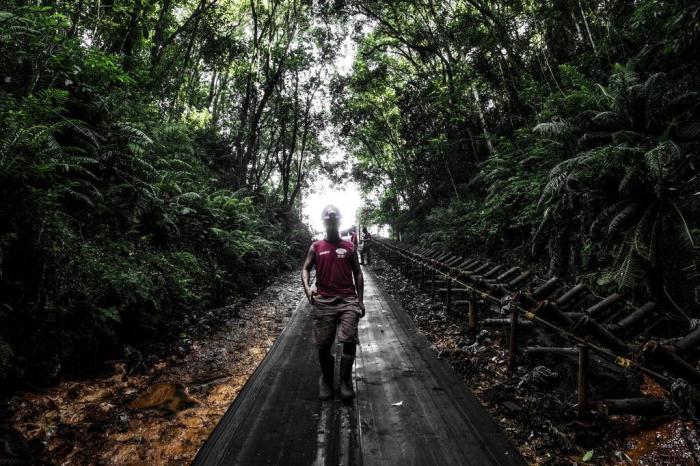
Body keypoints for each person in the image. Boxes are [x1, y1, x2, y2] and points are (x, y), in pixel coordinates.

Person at [302, 205, 365, 401]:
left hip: (347, 300)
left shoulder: (349, 247)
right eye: (328, 221)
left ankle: (345, 381)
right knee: (324, 344)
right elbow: (305, 269)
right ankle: (327, 381)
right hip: (324, 301)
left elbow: (358, 272)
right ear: (324, 222)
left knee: (349, 340)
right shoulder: (316, 247)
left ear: (339, 222)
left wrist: (360, 300)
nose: (331, 223)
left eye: (334, 220)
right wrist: (308, 289)